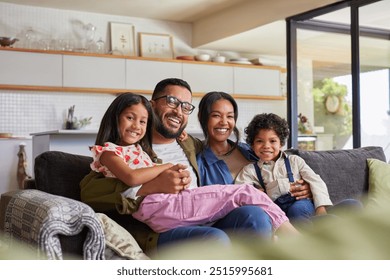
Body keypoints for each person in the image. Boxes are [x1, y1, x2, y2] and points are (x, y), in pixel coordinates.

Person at [80, 79, 289, 251]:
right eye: (171, 101)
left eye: (185, 107)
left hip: (200, 214)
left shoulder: (190, 143)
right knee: (214, 239)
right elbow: (90, 190)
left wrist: (292, 177)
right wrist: (152, 186)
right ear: (151, 105)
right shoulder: (131, 146)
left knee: (255, 216)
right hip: (162, 228)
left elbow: (229, 149)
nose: (178, 111)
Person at [196, 91, 312, 197]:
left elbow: (282, 168)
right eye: (216, 115)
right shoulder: (200, 164)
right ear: (202, 117)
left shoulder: (250, 150)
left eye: (230, 116)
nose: (224, 122)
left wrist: (305, 188)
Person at [235, 113, 333, 222]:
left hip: (300, 204)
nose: (266, 146)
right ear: (252, 145)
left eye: (272, 141)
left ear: (281, 143)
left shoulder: (295, 161)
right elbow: (239, 191)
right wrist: (256, 192)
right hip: (274, 210)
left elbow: (316, 181)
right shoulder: (250, 170)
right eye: (259, 141)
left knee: (297, 209)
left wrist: (320, 208)